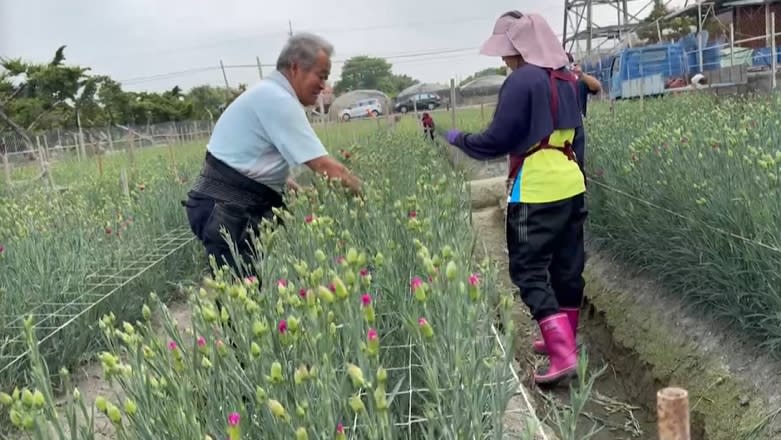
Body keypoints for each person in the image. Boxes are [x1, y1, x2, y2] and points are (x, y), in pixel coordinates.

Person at [443, 11, 586, 387]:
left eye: (507, 52)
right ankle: (566, 339)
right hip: (571, 181)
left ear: (521, 48)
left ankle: (562, 353)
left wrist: (458, 139)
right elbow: (579, 136)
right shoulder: (568, 78)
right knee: (567, 266)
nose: (505, 60)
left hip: (536, 186)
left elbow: (496, 142)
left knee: (527, 268)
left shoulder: (522, 81)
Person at [184, 32, 363, 279]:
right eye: (321, 76)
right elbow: (325, 166)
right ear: (296, 68)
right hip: (227, 211)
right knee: (240, 303)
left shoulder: (267, 93)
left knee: (250, 293)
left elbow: (249, 160)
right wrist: (367, 200)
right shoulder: (278, 99)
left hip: (222, 206)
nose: (323, 85)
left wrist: (290, 187)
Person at [567, 53, 602, 118]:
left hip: (578, 121)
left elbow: (597, 87)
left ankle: (581, 114)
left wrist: (581, 75)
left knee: (580, 84)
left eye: (569, 65)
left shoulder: (578, 82)